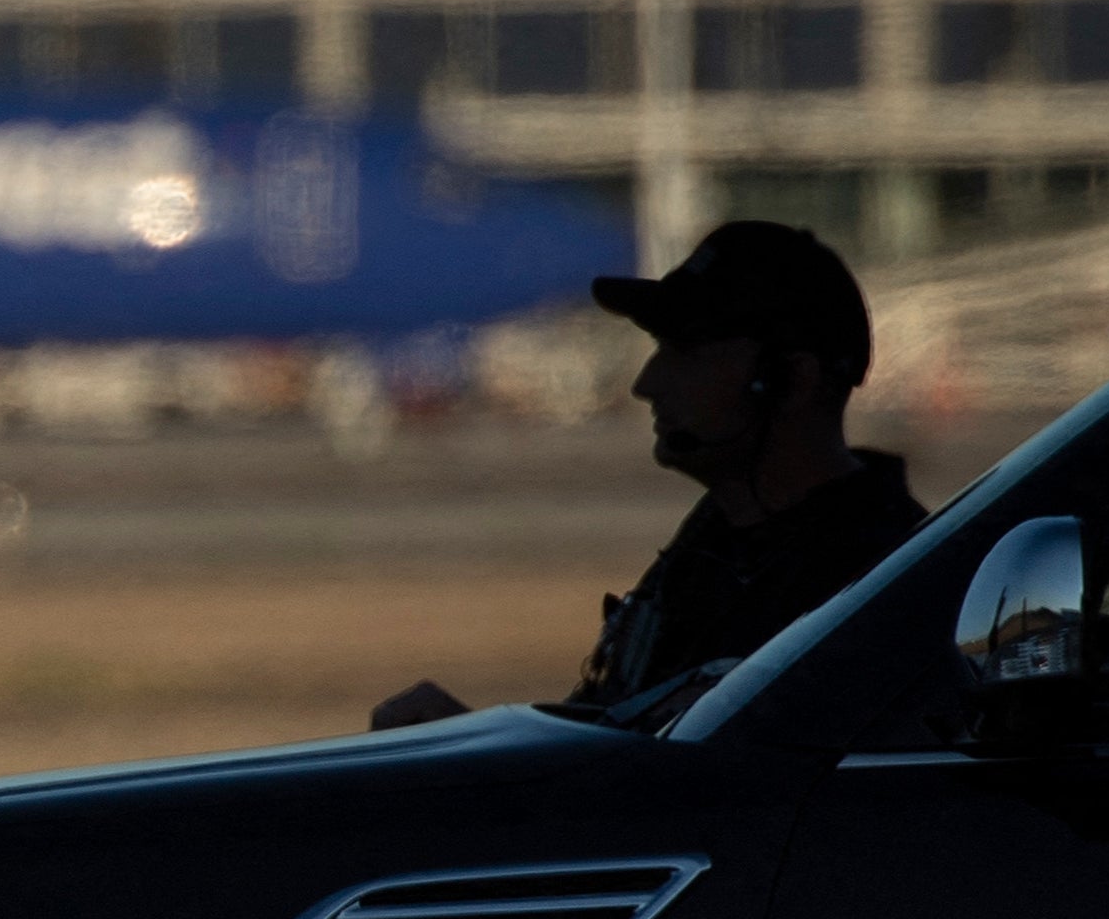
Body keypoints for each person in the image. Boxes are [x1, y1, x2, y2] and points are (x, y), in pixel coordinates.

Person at [374, 220, 925, 729]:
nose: (647, 383)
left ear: (791, 380)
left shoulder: (878, 585)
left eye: (684, 352)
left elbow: (721, 798)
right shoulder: (720, 544)